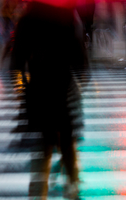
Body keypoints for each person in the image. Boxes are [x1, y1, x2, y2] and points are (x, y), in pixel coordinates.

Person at [8, 0, 89, 198]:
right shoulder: (67, 16)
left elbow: (18, 57)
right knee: (67, 140)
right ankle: (72, 185)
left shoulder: (29, 17)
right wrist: (82, 76)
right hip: (62, 86)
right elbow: (79, 53)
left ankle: (38, 192)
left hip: (38, 89)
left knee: (43, 144)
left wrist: (20, 86)